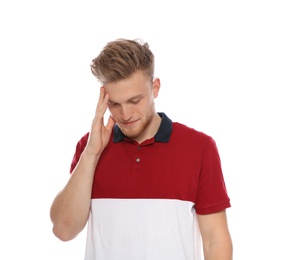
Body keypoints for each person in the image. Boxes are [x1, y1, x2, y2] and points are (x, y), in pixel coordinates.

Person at [50, 38, 233, 260]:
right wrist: (92, 153)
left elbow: (215, 241)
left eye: (135, 100)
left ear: (155, 88)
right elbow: (64, 230)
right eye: (114, 104)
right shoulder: (90, 148)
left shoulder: (199, 147)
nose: (125, 115)